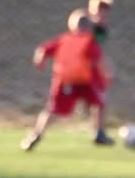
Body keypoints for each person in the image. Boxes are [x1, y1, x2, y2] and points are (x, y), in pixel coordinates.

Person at [21, 9, 115, 151]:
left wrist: (39, 60)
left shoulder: (63, 39)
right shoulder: (89, 42)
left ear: (71, 25)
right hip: (85, 81)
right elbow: (99, 61)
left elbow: (42, 49)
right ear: (89, 27)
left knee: (52, 110)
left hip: (65, 81)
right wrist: (106, 75)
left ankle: (36, 134)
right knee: (100, 103)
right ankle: (99, 132)